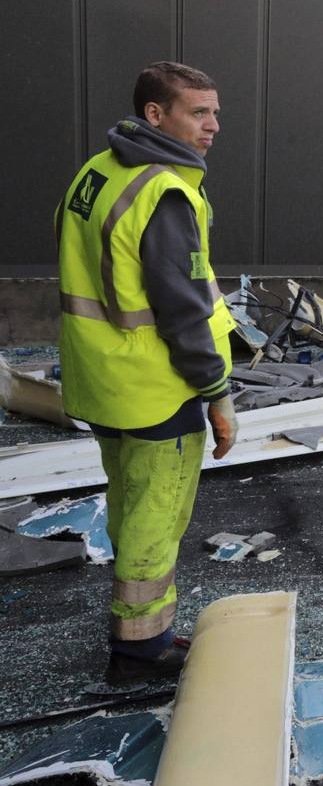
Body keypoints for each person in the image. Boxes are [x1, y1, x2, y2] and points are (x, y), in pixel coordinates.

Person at [56, 61, 238, 684]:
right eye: (199, 112)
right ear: (155, 114)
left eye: (215, 111)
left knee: (129, 504)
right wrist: (217, 390)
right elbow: (183, 309)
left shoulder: (97, 171)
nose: (214, 125)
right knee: (155, 515)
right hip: (159, 385)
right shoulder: (162, 192)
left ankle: (136, 631)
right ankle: (140, 649)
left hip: (105, 378)